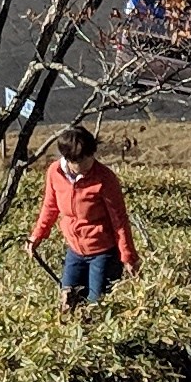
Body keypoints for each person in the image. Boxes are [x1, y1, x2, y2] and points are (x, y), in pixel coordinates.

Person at [27, 126, 140, 314]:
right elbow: (50, 206)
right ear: (70, 160)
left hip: (104, 253)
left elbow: (119, 220)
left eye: (91, 155)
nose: (90, 162)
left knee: (98, 307)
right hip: (75, 251)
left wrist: (128, 256)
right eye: (85, 159)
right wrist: (36, 236)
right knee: (67, 302)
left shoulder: (105, 178)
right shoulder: (55, 172)